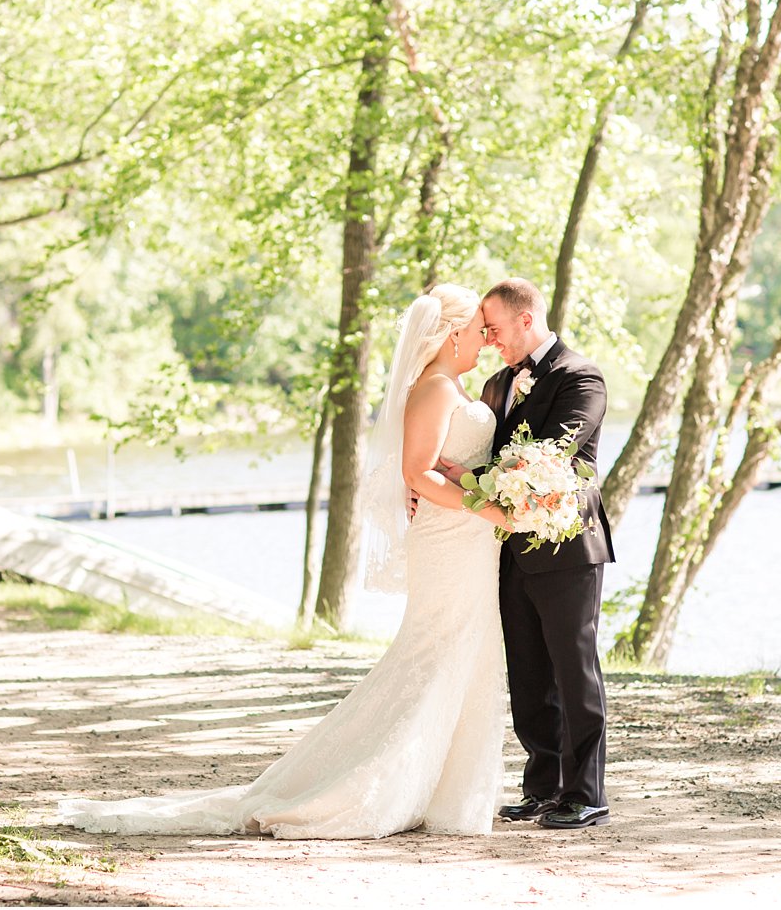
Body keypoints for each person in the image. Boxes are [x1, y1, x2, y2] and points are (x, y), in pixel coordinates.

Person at [58, 284, 511, 839]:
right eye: (478, 330)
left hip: (469, 542)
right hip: (449, 542)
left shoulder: (454, 386)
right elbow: (417, 474)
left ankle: (447, 789)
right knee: (436, 651)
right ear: (451, 332)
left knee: (468, 652)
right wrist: (488, 506)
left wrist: (486, 494)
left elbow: (443, 466)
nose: (485, 341)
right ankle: (381, 784)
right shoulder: (436, 390)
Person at [444, 277, 615, 830]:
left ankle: (586, 793)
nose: (489, 338)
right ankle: (542, 786)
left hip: (568, 546)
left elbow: (553, 454)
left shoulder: (580, 376)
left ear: (526, 318)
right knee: (528, 672)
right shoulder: (497, 383)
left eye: (493, 327)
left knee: (574, 669)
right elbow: (487, 449)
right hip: (509, 547)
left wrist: (471, 479)